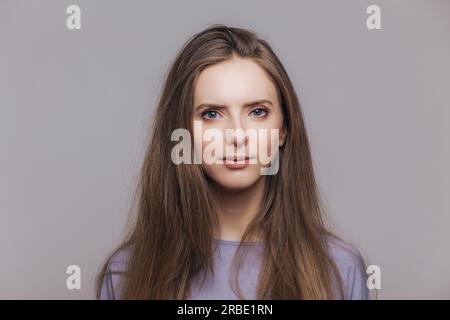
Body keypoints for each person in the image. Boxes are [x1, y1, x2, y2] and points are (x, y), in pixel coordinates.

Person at [96, 24, 369, 300]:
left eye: (258, 112)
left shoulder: (339, 269)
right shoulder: (125, 274)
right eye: (212, 114)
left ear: (284, 129)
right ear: (181, 132)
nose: (237, 135)